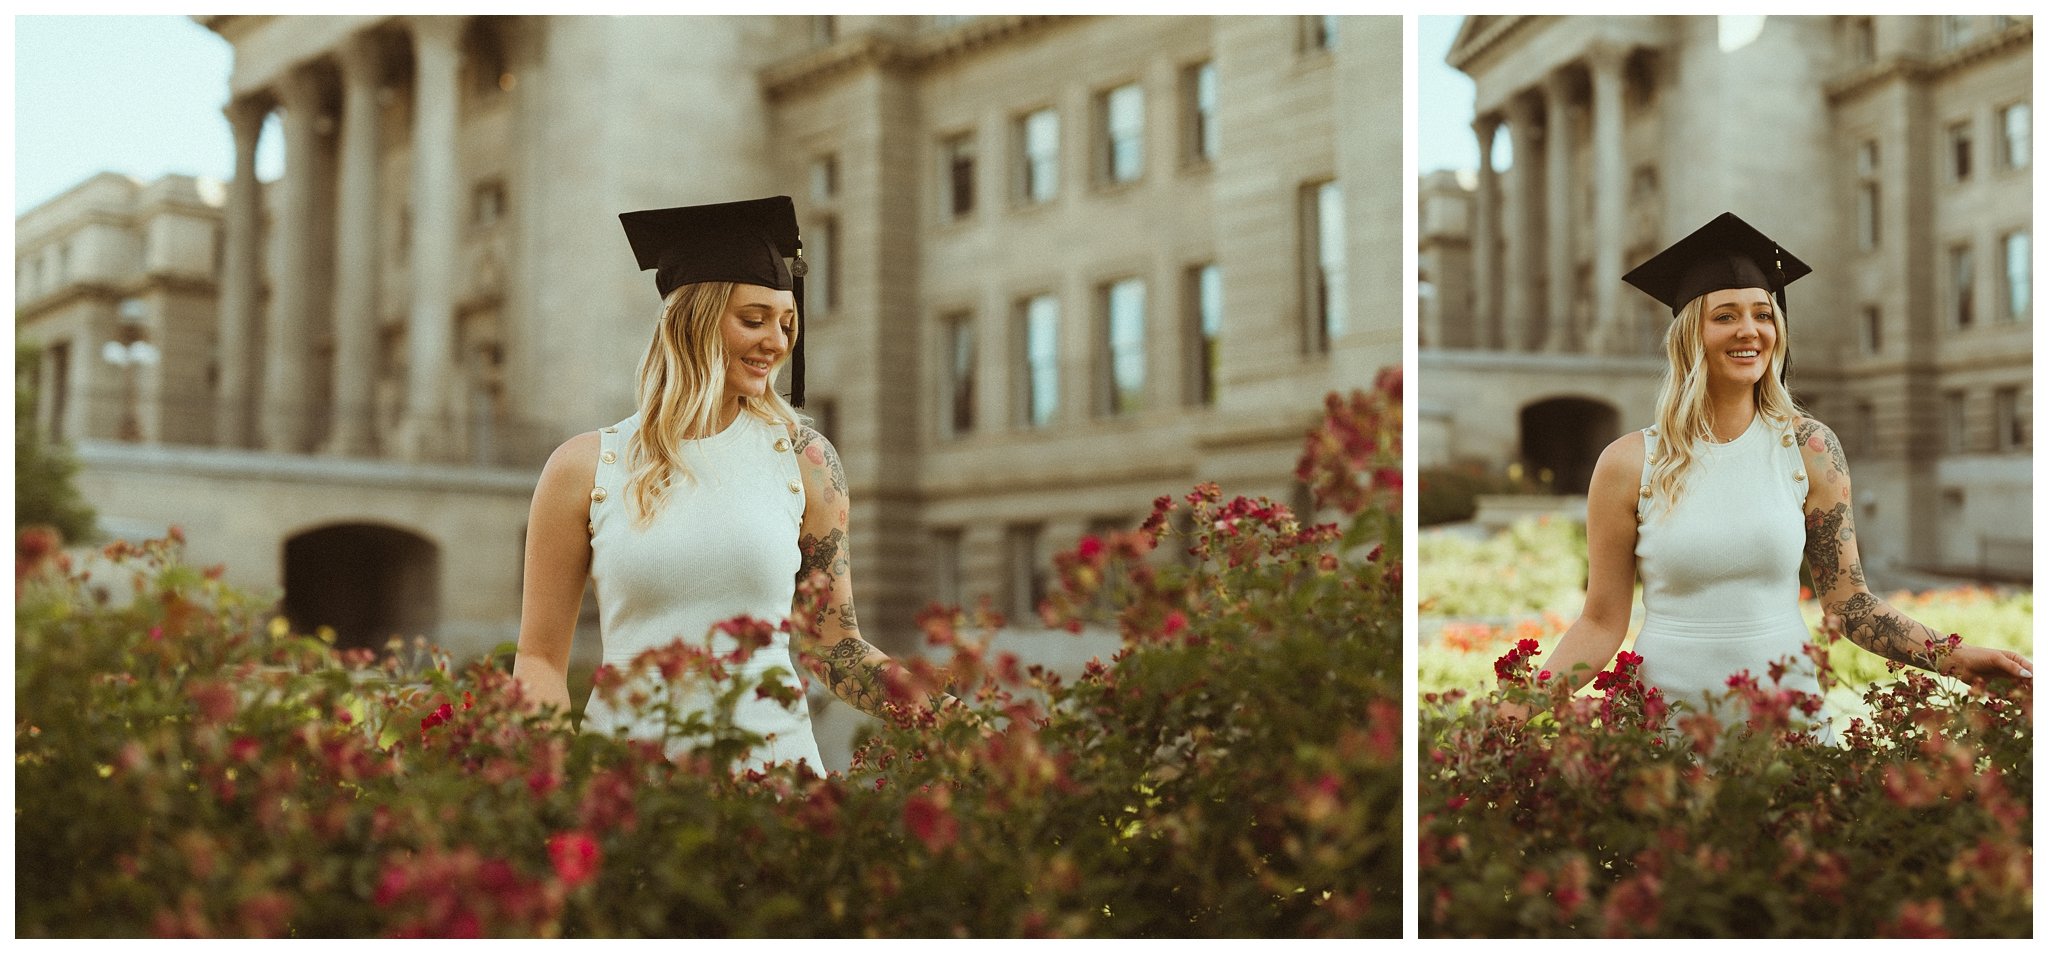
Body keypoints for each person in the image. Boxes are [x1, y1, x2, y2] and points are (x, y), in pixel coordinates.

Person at [1509, 212, 2032, 732]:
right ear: (1690, 333)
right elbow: (1601, 622)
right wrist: (1514, 709)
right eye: (1725, 315)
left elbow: (1851, 606)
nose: (1749, 330)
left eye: (1763, 314)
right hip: (1661, 731)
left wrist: (1957, 658)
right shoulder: (1629, 463)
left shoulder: (1809, 449)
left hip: (1787, 726)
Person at [511, 196, 912, 771]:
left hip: (775, 790)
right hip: (631, 790)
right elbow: (540, 660)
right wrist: (548, 793)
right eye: (753, 319)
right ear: (690, 320)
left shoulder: (805, 461)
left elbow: (836, 650)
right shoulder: (583, 468)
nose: (776, 341)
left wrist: (949, 718)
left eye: (786, 323)